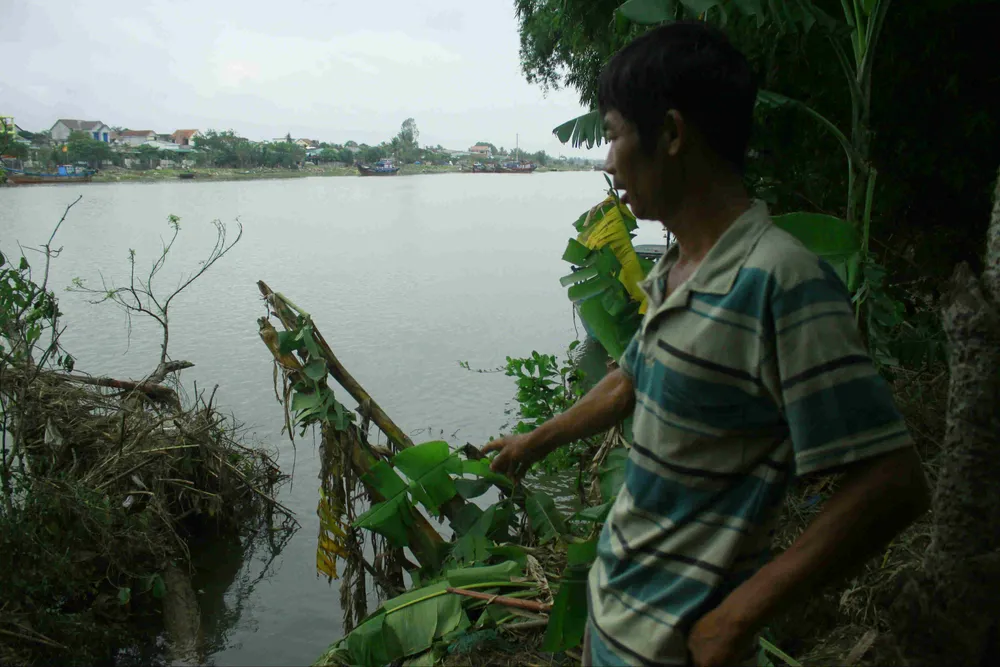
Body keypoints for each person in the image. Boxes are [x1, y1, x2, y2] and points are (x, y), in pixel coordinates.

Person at [481, 21, 929, 667]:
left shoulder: (779, 281)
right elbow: (632, 377)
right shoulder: (677, 266)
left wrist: (734, 618)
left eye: (612, 134)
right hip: (616, 622)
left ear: (669, 134)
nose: (607, 161)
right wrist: (533, 441)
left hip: (678, 646)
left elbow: (892, 480)